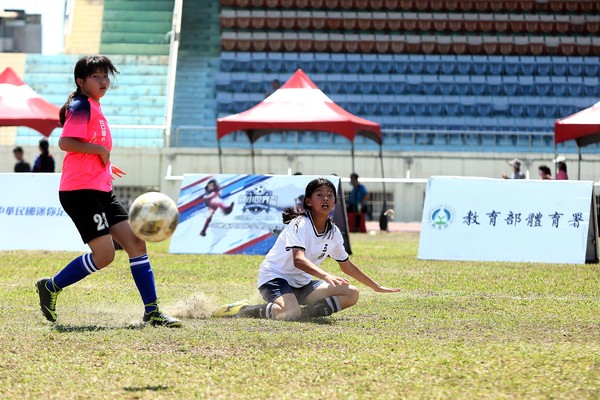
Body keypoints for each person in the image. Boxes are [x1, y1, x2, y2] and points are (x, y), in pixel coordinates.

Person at [35, 55, 181, 327]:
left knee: (136, 243)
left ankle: (152, 312)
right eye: (96, 77)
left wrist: (105, 164)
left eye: (106, 77)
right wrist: (101, 151)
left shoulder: (94, 106)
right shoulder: (80, 105)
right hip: (80, 193)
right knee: (105, 256)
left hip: (101, 190)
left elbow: (87, 147)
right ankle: (51, 287)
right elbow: (66, 142)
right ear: (81, 81)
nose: (103, 81)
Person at [212, 178, 400, 321]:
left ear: (335, 202)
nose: (326, 198)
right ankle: (241, 310)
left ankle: (303, 314)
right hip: (274, 278)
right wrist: (326, 276)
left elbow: (346, 266)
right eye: (320, 194)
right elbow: (298, 260)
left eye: (330, 195)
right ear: (308, 201)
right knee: (290, 313)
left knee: (352, 293)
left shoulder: (333, 231)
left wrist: (376, 287)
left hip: (302, 285)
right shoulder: (299, 223)